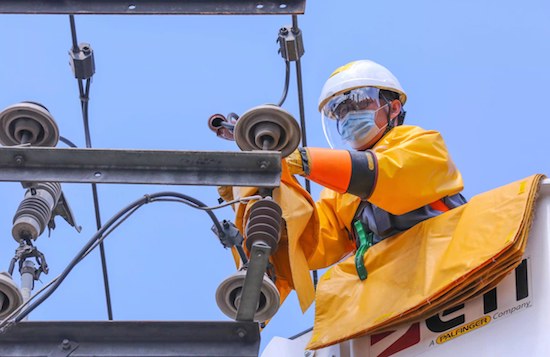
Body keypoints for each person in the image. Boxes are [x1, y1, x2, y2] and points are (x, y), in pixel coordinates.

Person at [286, 59, 467, 275]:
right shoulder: (337, 193)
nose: (348, 116)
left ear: (393, 108)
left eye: (359, 103)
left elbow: (389, 174)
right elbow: (309, 243)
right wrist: (271, 184)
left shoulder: (423, 145)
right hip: (391, 293)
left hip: (449, 270)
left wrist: (306, 161)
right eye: (341, 111)